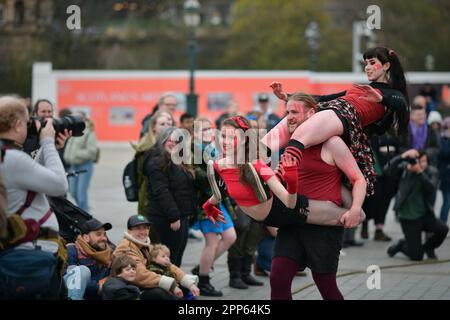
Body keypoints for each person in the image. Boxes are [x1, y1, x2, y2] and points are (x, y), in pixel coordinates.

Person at [266, 47, 410, 196]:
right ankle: (254, 156)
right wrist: (287, 96)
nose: (367, 67)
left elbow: (402, 105)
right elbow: (323, 99)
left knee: (300, 133)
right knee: (290, 119)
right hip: (334, 111)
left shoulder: (392, 94)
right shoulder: (360, 88)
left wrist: (381, 99)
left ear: (386, 66)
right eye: (366, 63)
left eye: (372, 63)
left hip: (345, 118)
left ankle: (276, 179)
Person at [267, 93, 368, 300]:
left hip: (324, 225)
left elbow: (359, 179)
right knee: (278, 278)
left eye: (294, 112)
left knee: (325, 284)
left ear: (312, 113)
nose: (289, 117)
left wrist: (356, 209)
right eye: (287, 112)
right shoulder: (292, 143)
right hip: (293, 221)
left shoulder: (332, 143)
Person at [204, 114, 365, 230]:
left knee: (356, 217)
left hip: (288, 211)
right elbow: (221, 192)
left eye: (232, 137)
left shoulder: (256, 166)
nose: (225, 142)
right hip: (267, 220)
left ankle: (348, 193)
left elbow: (290, 202)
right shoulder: (218, 165)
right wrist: (209, 205)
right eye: (223, 136)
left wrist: (292, 180)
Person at [0, 96, 68, 298]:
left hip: (18, 253)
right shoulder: (11, 157)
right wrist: (47, 141)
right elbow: (59, 185)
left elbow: (31, 173)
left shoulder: (7, 155)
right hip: (26, 257)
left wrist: (51, 148)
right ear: (18, 124)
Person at [191, 117, 236, 297]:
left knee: (230, 236)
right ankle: (203, 279)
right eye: (203, 130)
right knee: (213, 242)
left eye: (210, 129)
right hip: (205, 204)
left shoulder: (212, 149)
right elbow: (202, 179)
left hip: (217, 200)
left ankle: (201, 268)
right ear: (195, 133)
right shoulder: (194, 151)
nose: (208, 132)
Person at [143, 127, 197, 267]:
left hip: (181, 216)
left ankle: (176, 283)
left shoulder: (179, 160)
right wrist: (174, 216)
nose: (172, 142)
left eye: (176, 140)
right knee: (169, 255)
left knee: (178, 253)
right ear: (162, 140)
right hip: (167, 217)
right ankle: (168, 285)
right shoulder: (156, 162)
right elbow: (162, 192)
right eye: (169, 139)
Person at [113, 215, 198, 300]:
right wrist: (171, 285)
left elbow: (168, 265)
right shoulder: (126, 248)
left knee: (184, 286)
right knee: (159, 293)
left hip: (144, 284)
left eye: (145, 228)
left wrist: (188, 282)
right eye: (138, 228)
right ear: (129, 231)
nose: (143, 232)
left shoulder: (144, 245)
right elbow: (140, 274)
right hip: (132, 289)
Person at [386, 150, 449, 261]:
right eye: (417, 161)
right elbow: (387, 169)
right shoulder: (406, 169)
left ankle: (425, 248)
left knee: (443, 229)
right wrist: (402, 156)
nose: (420, 164)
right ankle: (400, 246)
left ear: (428, 162)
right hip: (408, 218)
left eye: (423, 161)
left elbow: (431, 188)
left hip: (425, 215)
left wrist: (419, 172)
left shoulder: (432, 172)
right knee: (416, 257)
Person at [132, 111, 174, 218]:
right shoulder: (146, 148)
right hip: (149, 198)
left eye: (169, 124)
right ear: (153, 127)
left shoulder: (174, 145)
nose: (166, 127)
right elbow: (141, 175)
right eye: (162, 124)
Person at [64, 218, 113, 300]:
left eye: (104, 234)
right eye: (98, 234)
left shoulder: (110, 254)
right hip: (78, 296)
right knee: (82, 270)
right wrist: (98, 287)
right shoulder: (72, 250)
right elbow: (72, 282)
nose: (104, 238)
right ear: (86, 238)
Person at [64, 113, 99, 212]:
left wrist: (75, 154)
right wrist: (68, 156)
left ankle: (85, 217)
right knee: (73, 192)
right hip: (73, 166)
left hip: (85, 166)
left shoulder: (89, 132)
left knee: (81, 194)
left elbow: (92, 152)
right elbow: (69, 148)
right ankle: (83, 211)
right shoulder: (74, 131)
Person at [438, 117, 450, 223]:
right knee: (447, 202)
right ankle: (442, 224)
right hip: (446, 176)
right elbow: (445, 153)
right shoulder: (442, 139)